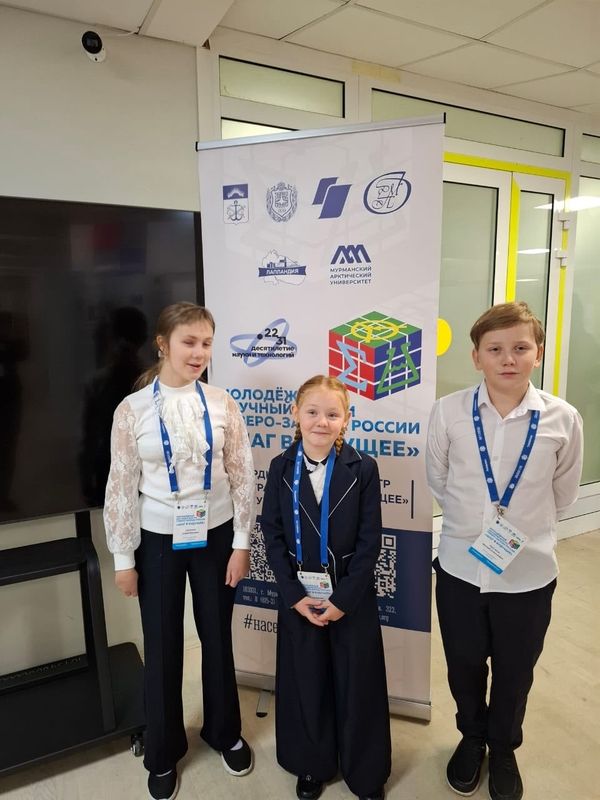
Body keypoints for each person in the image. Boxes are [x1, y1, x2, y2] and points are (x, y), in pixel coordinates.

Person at [426, 302, 583, 800]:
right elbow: (439, 480)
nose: (508, 359)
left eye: (520, 347)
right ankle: (472, 737)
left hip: (528, 575)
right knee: (464, 664)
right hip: (460, 569)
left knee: (516, 672)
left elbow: (564, 494)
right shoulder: (448, 412)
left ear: (538, 353)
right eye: (495, 349)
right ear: (477, 357)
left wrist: (524, 527)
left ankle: (504, 747)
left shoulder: (562, 419)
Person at [103, 302, 255, 800]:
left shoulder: (223, 403)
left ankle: (225, 732)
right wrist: (124, 560)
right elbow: (121, 486)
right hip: (157, 541)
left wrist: (241, 544)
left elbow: (242, 475)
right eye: (189, 342)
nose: (199, 353)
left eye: (206, 343)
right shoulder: (132, 411)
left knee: (217, 636)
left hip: (216, 536)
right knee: (163, 644)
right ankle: (163, 750)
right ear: (162, 344)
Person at [261, 375, 391, 800]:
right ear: (295, 414)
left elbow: (370, 541)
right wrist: (293, 596)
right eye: (312, 412)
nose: (322, 421)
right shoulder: (281, 467)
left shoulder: (363, 468)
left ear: (346, 419)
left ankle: (364, 770)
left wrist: (344, 599)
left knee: (358, 682)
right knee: (306, 679)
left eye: (333, 414)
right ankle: (310, 763)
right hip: (300, 597)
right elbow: (272, 534)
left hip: (351, 597)